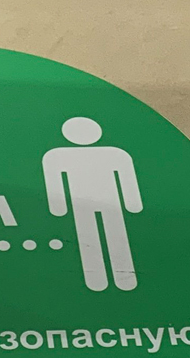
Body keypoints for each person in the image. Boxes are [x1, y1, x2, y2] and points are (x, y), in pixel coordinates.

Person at [43, 116, 141, 291]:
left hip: (106, 204)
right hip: (86, 205)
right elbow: (54, 182)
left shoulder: (114, 154)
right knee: (90, 238)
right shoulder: (58, 155)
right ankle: (100, 279)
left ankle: (120, 279)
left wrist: (58, 208)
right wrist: (133, 205)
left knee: (111, 237)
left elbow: (127, 180)